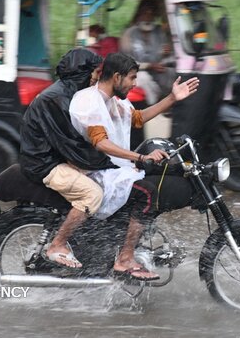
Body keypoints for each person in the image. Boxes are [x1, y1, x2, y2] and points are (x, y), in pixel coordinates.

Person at [69, 52, 199, 281]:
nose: (135, 83)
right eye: (132, 78)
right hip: (98, 174)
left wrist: (172, 98)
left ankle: (135, 240)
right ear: (117, 77)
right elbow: (100, 142)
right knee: (146, 194)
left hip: (119, 170)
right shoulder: (88, 100)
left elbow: (137, 118)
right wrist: (139, 158)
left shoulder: (116, 100)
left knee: (166, 175)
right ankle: (125, 258)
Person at [19, 48, 117, 269]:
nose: (96, 78)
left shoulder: (68, 94)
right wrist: (108, 159)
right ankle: (58, 245)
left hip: (55, 157)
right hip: (45, 163)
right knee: (93, 194)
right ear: (81, 72)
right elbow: (71, 143)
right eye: (94, 73)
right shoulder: (57, 99)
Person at [120, 0, 175, 105]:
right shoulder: (128, 34)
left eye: (151, 14)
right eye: (145, 13)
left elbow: (164, 53)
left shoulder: (159, 32)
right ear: (139, 14)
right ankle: (154, 107)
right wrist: (149, 66)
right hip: (136, 71)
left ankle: (169, 102)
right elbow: (126, 63)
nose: (148, 17)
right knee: (143, 78)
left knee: (172, 69)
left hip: (157, 69)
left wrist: (165, 52)